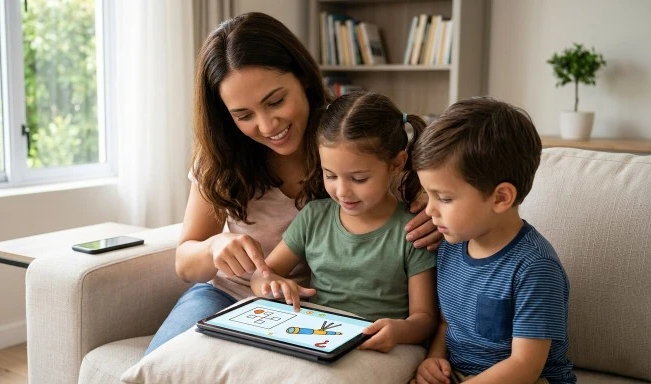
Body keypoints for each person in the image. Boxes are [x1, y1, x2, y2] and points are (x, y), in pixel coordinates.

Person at [143, 12, 441, 356]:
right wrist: (214, 247)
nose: (267, 125)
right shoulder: (222, 159)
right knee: (159, 366)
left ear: (303, 79)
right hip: (226, 295)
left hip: (309, 309)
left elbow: (431, 198)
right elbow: (185, 262)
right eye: (244, 115)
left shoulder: (346, 139)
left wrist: (433, 211)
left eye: (275, 101)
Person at [250, 91, 438, 352]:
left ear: (397, 163)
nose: (342, 191)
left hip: (381, 345)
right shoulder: (314, 217)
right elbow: (261, 275)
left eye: (359, 179)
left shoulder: (413, 230)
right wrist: (272, 284)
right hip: (317, 339)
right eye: (330, 176)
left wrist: (398, 330)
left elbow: (425, 319)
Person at [411, 97, 575, 383]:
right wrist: (435, 357)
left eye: (444, 198)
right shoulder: (452, 245)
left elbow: (525, 365)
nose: (430, 210)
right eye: (429, 194)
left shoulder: (536, 268)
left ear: (501, 198)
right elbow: (447, 322)